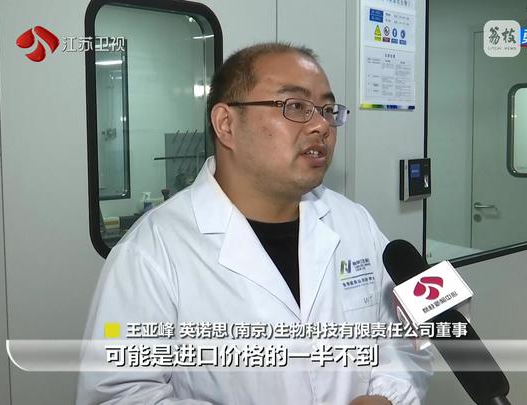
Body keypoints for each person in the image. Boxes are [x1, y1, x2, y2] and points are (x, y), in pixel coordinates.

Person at [77, 42, 430, 405]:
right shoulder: (151, 252)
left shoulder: (354, 222)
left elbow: (410, 340)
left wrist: (387, 397)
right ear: (226, 124)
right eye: (296, 106)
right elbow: (119, 395)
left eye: (328, 110)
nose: (322, 126)